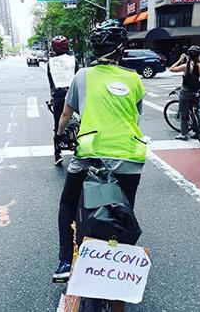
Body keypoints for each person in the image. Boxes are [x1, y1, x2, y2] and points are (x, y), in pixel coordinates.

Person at [52, 20, 146, 281]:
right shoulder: (135, 79)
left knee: (68, 203)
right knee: (124, 208)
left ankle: (64, 263)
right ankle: (122, 260)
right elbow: (135, 118)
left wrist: (60, 136)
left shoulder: (82, 76)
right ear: (121, 49)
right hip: (128, 156)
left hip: (90, 153)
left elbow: (66, 115)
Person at [47, 36, 79, 165]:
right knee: (85, 118)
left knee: (58, 123)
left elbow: (51, 83)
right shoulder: (74, 60)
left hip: (59, 95)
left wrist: (52, 97)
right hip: (74, 94)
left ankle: (57, 154)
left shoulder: (50, 62)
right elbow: (78, 78)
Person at [169, 45, 200, 140]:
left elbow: (171, 69)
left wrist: (180, 59)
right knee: (196, 110)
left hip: (186, 92)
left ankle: (184, 134)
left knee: (184, 113)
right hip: (196, 91)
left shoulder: (186, 66)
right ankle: (198, 131)